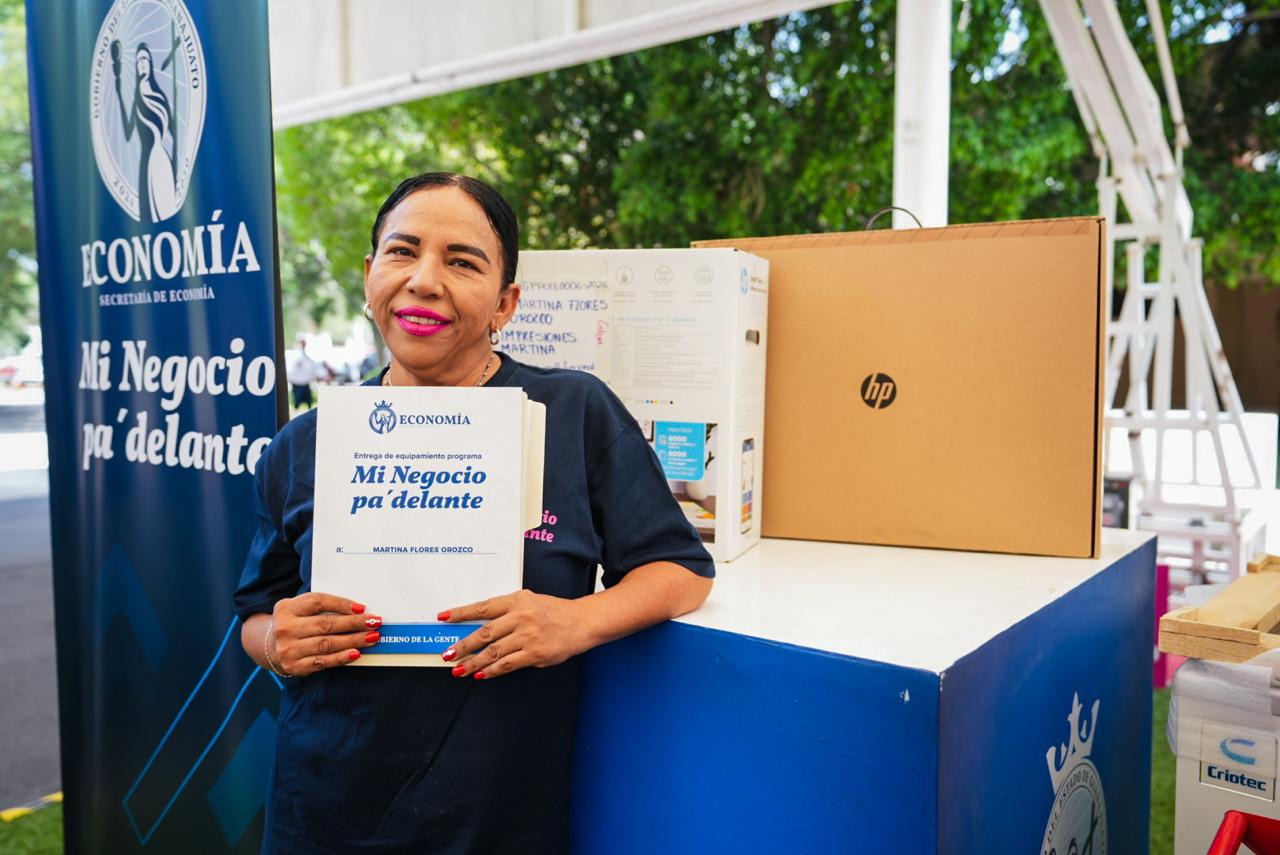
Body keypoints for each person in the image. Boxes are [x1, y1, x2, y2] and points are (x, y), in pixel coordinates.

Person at [234, 172, 714, 853]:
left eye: (462, 262)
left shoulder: (573, 413)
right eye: (402, 252)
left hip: (499, 815)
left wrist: (576, 621)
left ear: (505, 303)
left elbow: (681, 570)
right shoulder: (304, 443)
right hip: (323, 810)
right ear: (370, 276)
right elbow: (258, 613)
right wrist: (276, 644)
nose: (424, 281)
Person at [285, 337, 322, 409]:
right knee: (297, 402)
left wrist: (315, 376)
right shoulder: (296, 354)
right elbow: (291, 368)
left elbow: (312, 367)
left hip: (306, 383)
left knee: (309, 402)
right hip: (297, 383)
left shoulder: (307, 354)